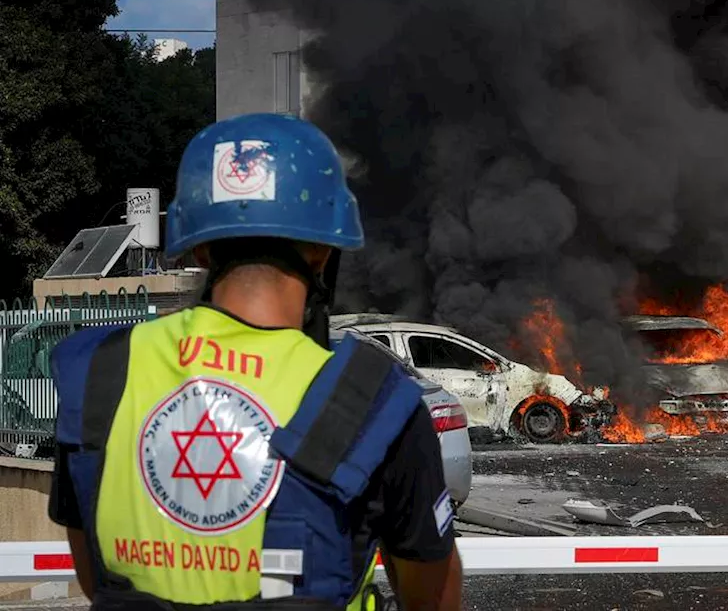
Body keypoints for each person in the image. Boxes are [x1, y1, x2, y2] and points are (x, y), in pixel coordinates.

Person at [47, 113, 463, 610]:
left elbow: (97, 578)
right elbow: (431, 598)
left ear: (198, 247)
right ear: (321, 249)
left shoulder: (102, 373)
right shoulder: (372, 400)